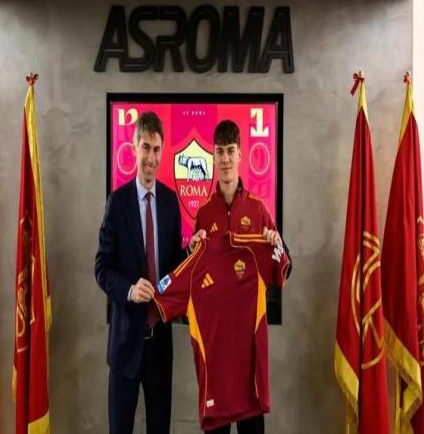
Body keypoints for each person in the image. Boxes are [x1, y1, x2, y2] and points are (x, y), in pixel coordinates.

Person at [95, 111, 197, 434]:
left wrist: (190, 253)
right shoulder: (117, 203)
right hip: (125, 345)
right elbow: (102, 267)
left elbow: (172, 266)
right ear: (134, 148)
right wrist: (128, 290)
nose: (151, 158)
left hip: (160, 347)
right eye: (145, 148)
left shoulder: (169, 202)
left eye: (156, 149)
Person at [190, 119, 292, 434]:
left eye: (230, 151)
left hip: (248, 352)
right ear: (213, 156)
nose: (224, 159)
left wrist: (275, 244)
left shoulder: (259, 210)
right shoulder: (204, 214)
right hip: (217, 348)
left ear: (240, 154)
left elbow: (284, 269)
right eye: (219, 151)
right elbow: (193, 276)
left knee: (251, 428)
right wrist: (191, 250)